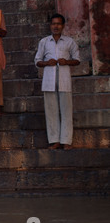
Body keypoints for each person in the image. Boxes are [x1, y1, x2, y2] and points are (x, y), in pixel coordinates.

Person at [34, 13, 80, 150]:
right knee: (51, 111)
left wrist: (67, 62)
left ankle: (66, 141)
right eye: (53, 23)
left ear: (63, 26)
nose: (56, 26)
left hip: (64, 80)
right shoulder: (44, 42)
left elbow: (77, 59)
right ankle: (55, 141)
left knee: (66, 110)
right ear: (50, 25)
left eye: (59, 24)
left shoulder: (69, 41)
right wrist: (47, 63)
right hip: (48, 81)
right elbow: (37, 61)